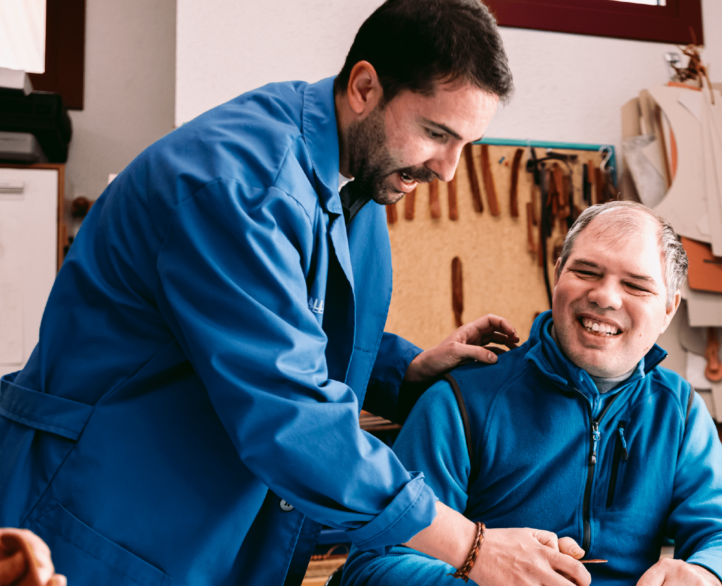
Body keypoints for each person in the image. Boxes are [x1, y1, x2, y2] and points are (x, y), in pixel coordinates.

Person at [0, 1, 591, 585]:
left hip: (205, 520)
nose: (448, 171)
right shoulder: (242, 187)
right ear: (364, 87)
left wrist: (402, 371)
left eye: (466, 143)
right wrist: (470, 546)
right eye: (437, 133)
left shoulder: (356, 177)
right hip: (101, 515)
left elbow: (287, 323)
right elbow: (290, 413)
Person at [339, 201, 722, 586]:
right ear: (558, 271)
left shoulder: (676, 410)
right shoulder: (460, 400)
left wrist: (708, 574)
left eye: (636, 285)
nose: (604, 296)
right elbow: (373, 568)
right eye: (586, 271)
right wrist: (478, 574)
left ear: (669, 309)